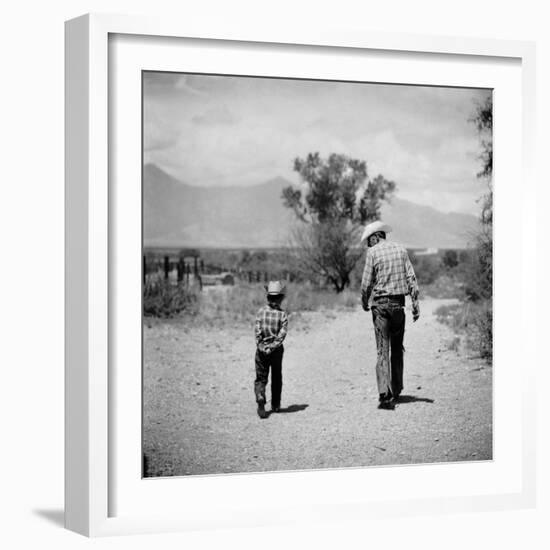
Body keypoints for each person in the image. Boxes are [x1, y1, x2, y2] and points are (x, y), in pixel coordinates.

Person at [360, 221, 420, 410]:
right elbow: (411, 277)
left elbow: (366, 282)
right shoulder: (401, 250)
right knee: (397, 348)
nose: (369, 245)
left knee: (382, 349)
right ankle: (397, 389)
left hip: (380, 307)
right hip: (398, 306)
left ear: (375, 237)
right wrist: (416, 305)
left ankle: (384, 393)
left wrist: (364, 301)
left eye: (369, 241)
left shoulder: (373, 253)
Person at [254, 281, 289, 418]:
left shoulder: (260, 312)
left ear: (268, 297)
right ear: (280, 298)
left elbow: (257, 332)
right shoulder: (283, 315)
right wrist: (273, 346)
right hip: (276, 351)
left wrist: (262, 346)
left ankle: (260, 396)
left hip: (261, 351)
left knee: (261, 377)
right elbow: (282, 334)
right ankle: (275, 405)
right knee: (276, 377)